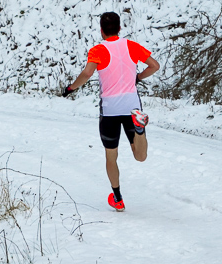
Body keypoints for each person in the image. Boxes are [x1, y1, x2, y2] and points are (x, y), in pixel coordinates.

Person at [62, 12, 160, 211]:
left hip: (110, 110)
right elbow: (155, 66)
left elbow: (88, 73)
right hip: (132, 106)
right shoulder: (132, 46)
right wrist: (138, 78)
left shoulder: (98, 50)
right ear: (120, 28)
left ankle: (117, 198)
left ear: (101, 30)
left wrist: (71, 88)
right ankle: (139, 130)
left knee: (111, 156)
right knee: (140, 156)